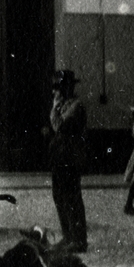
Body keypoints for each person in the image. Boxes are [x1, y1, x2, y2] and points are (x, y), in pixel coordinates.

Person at [48, 69, 90, 253]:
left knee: (72, 197)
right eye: (55, 87)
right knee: (59, 196)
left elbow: (61, 126)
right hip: (60, 156)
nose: (55, 91)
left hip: (71, 157)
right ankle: (68, 236)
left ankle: (79, 239)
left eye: (58, 86)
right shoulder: (63, 105)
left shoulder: (76, 106)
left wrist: (55, 107)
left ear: (67, 87)